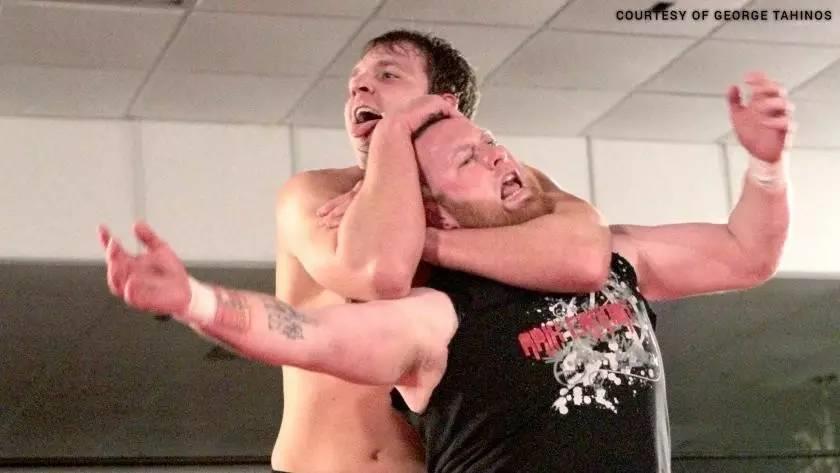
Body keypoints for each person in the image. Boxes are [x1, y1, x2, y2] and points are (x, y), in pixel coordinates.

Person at [100, 71, 792, 472]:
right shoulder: (441, 315)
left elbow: (747, 252)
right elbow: (306, 334)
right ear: (438, 213)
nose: (498, 157)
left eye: (490, 144)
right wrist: (192, 298)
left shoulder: (613, 257)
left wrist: (766, 165)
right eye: (469, 161)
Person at [107, 29, 612, 473]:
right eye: (355, 82)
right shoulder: (316, 194)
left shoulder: (502, 181)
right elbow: (379, 273)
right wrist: (390, 160)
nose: (359, 89)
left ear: (443, 103)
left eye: (387, 75)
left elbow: (588, 255)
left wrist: (427, 225)